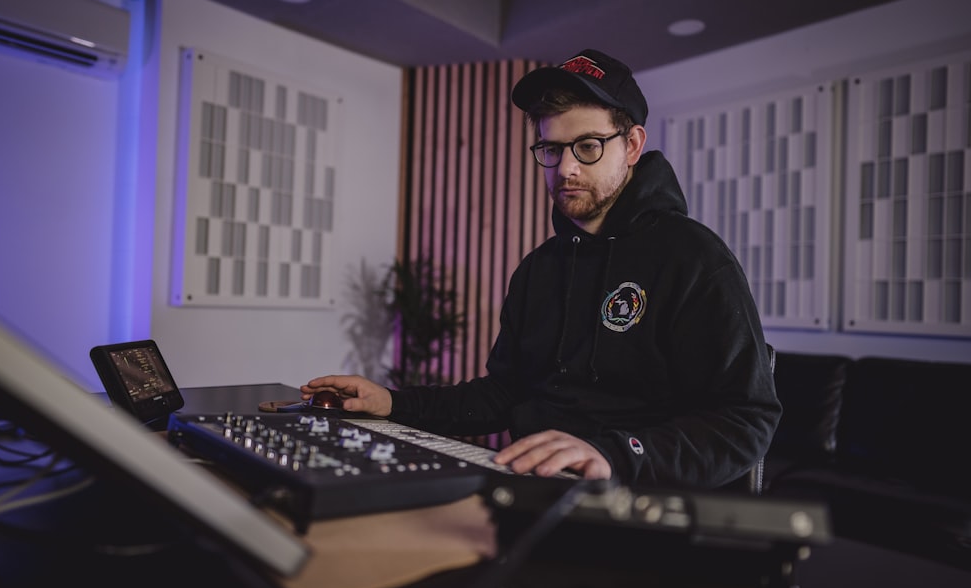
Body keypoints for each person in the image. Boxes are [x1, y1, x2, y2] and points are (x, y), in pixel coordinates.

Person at [302, 49, 781, 490]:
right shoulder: (538, 269)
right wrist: (393, 404)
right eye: (552, 149)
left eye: (588, 146)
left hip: (639, 507)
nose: (566, 169)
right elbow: (503, 394)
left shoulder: (694, 258)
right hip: (532, 490)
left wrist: (614, 454)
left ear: (632, 145)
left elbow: (745, 420)